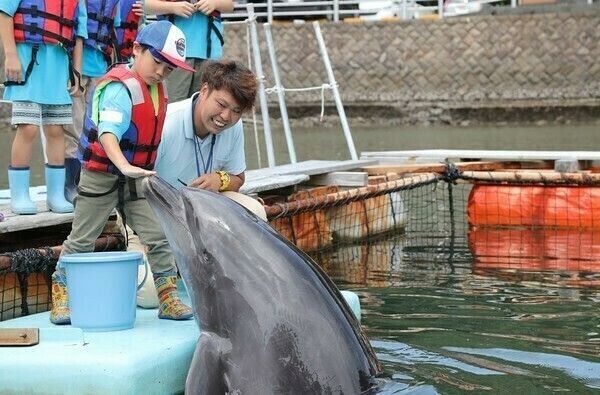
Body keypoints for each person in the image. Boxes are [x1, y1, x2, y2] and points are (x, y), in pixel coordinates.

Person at [50, 20, 196, 325]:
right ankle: (61, 292)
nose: (161, 72)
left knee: (158, 236)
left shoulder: (157, 89)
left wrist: (134, 171)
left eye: (169, 68)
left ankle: (168, 296)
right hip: (102, 174)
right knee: (82, 239)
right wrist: (125, 165)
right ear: (138, 49)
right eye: (157, 62)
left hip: (135, 178)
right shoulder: (119, 87)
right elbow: (108, 133)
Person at [134, 59, 266, 307]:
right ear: (204, 90)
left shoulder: (233, 128)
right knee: (151, 295)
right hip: (151, 220)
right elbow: (135, 188)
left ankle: (233, 270)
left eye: (236, 111)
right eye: (222, 104)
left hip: (198, 222)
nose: (226, 117)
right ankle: (145, 259)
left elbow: (238, 178)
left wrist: (220, 179)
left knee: (255, 210)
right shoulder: (165, 123)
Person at [1, 0, 87, 215]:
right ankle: (19, 195)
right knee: (27, 127)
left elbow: (78, 35)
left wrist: (76, 72)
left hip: (58, 67)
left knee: (56, 130)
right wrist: (10, 55)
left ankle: (55, 195)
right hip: (27, 63)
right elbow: (4, 13)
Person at [63, 0, 121, 203]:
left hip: (100, 72)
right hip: (75, 71)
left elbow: (113, 33)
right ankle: (70, 184)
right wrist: (75, 74)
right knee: (73, 128)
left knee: (93, 130)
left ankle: (86, 183)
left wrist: (113, 72)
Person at [143, 0, 233, 103]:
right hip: (174, 54)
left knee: (203, 104)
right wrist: (172, 7)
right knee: (172, 104)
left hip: (210, 54)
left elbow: (230, 5)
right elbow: (146, 5)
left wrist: (215, 3)